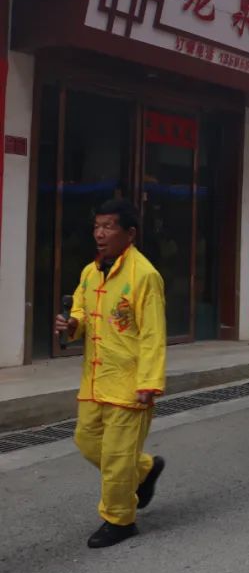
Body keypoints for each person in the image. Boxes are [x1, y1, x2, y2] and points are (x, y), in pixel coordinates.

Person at [54, 199, 167, 548]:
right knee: (87, 442)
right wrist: (72, 324)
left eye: (108, 227)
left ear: (129, 233)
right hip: (94, 380)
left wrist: (150, 382)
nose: (100, 234)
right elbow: (82, 313)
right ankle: (144, 470)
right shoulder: (90, 273)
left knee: (118, 459)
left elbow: (152, 333)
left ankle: (119, 519)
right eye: (97, 227)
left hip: (131, 383)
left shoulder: (144, 275)